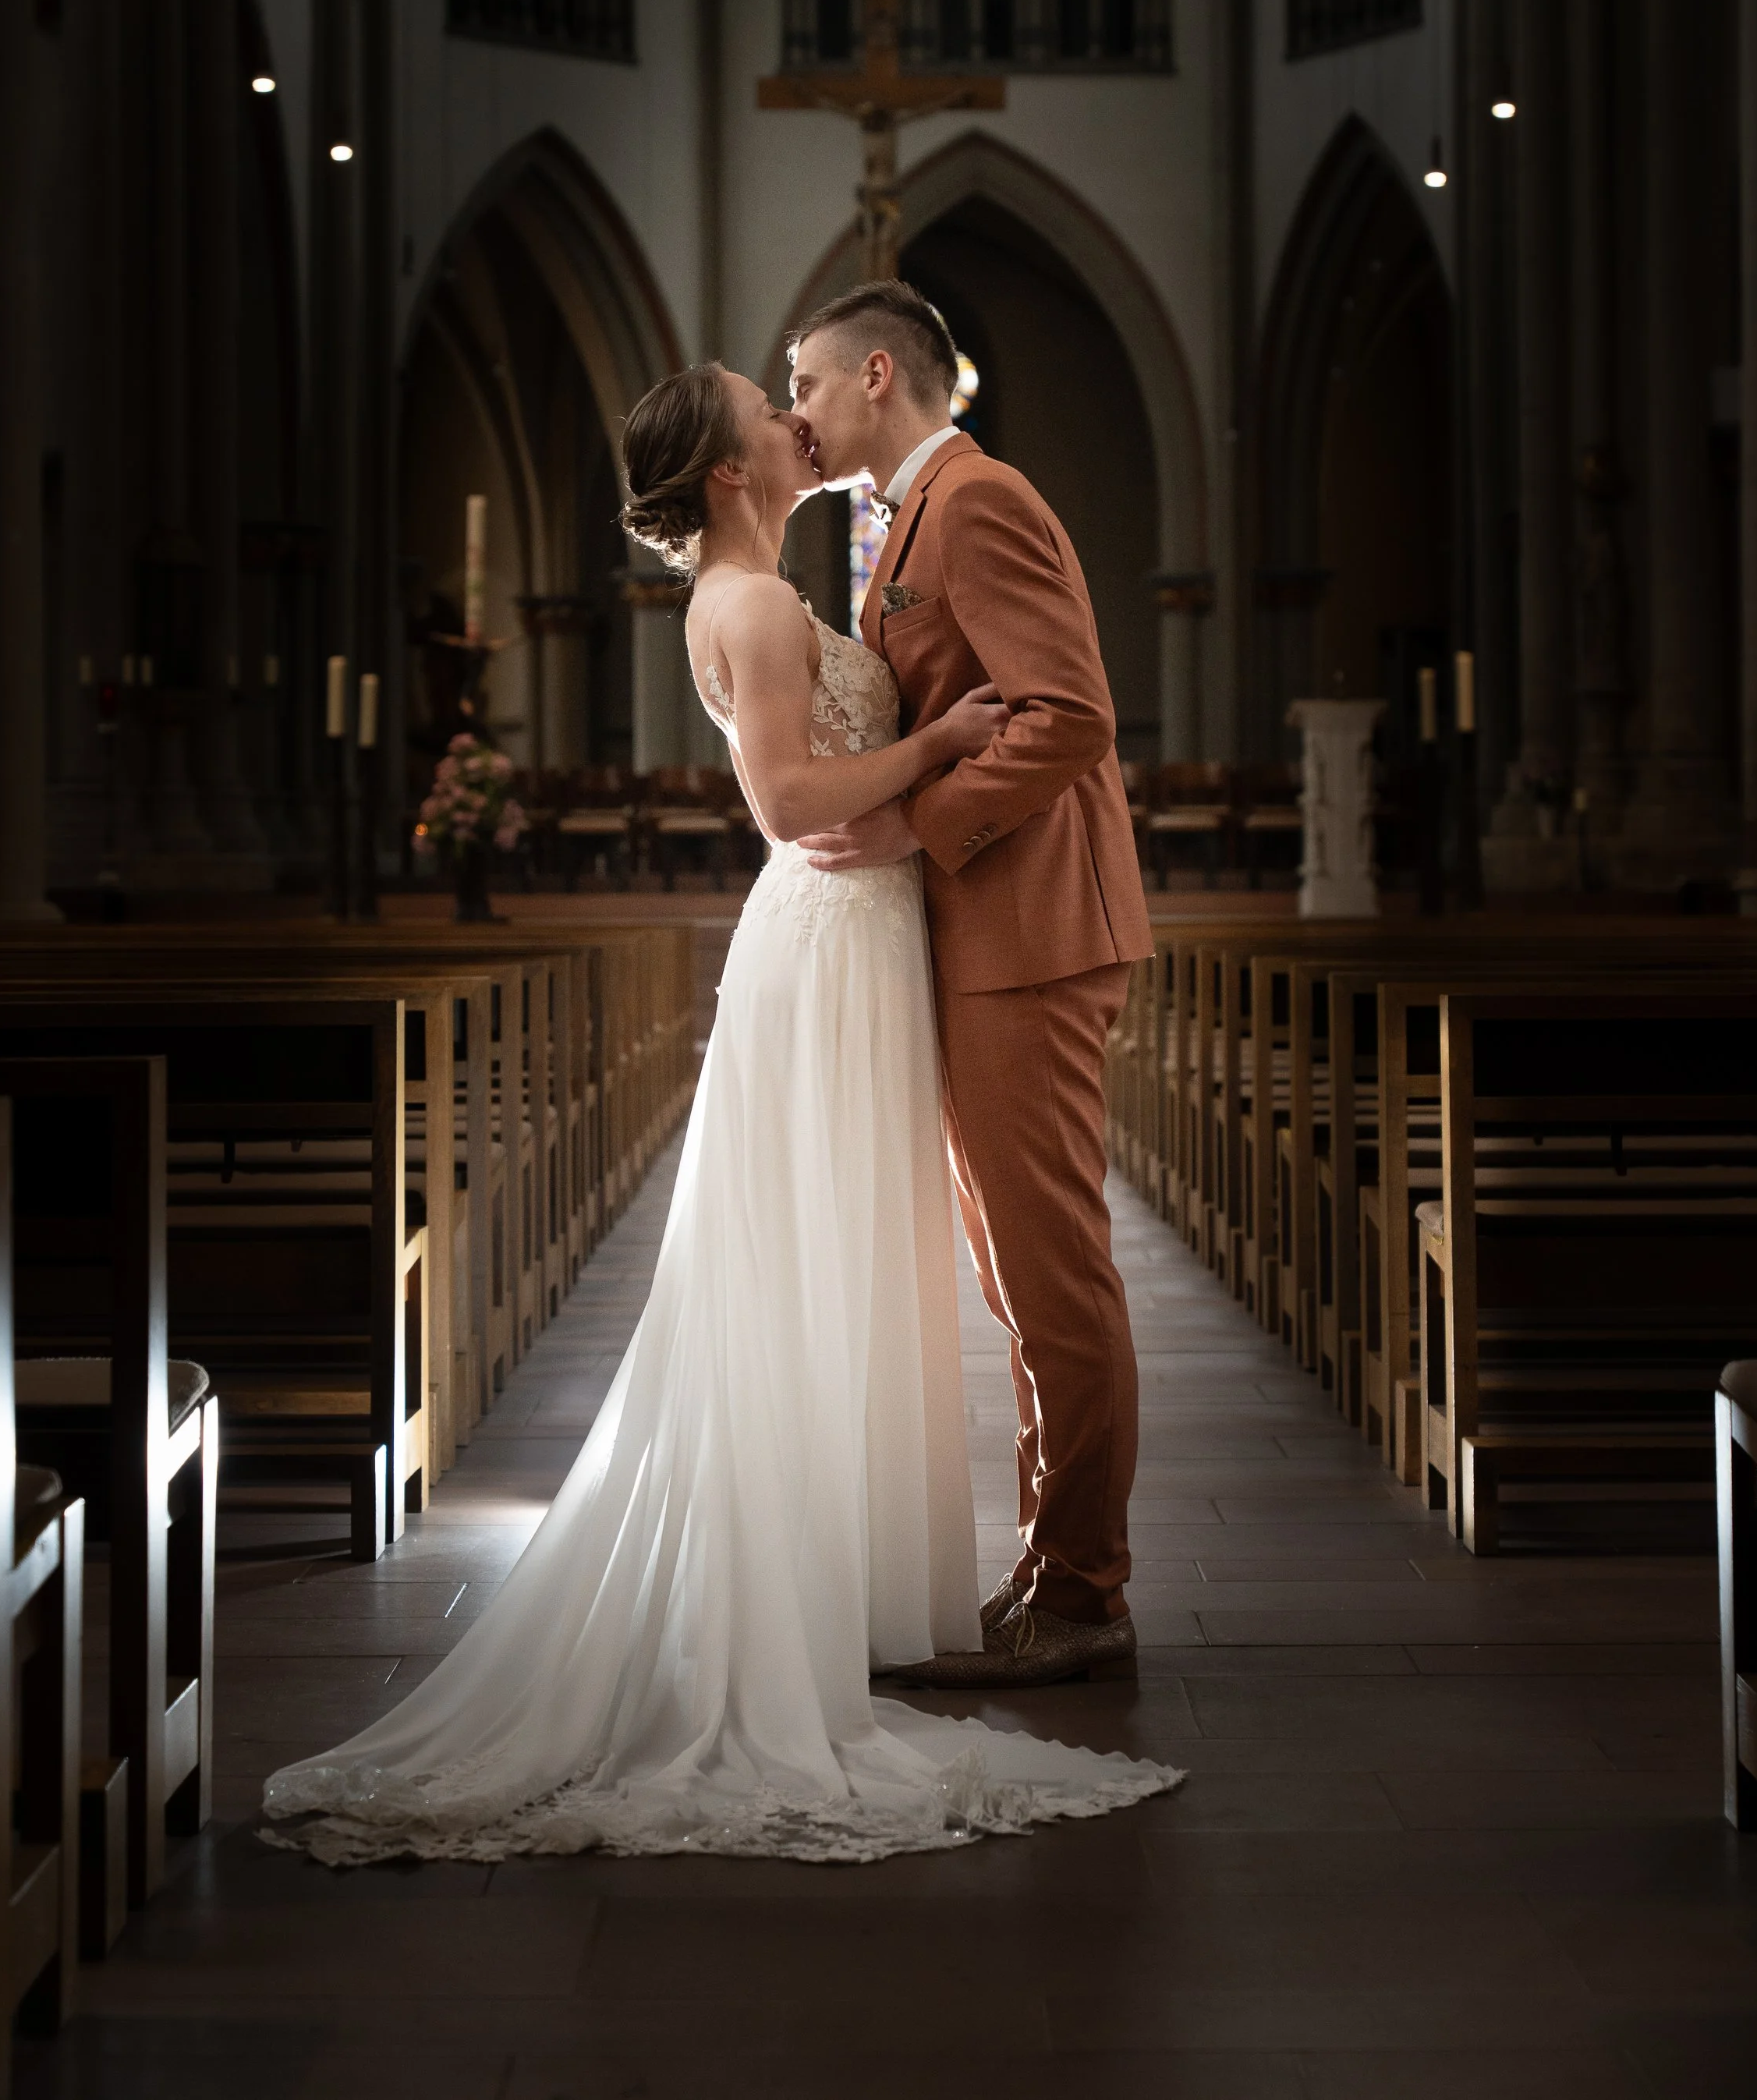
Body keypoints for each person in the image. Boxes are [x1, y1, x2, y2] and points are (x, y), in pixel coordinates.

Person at [261, 359, 1179, 1865]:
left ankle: (877, 1585)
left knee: (863, 1262)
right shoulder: (749, 606)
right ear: (734, 469)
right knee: (809, 1266)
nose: (791, 407)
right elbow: (788, 806)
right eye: (773, 398)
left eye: (798, 380)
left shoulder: (799, 573)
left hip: (877, 935)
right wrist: (942, 749)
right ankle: (829, 1594)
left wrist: (917, 786)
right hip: (829, 937)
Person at [789, 280, 1153, 1689]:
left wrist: (912, 827)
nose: (802, 412)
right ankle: (1053, 1566)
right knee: (1016, 1266)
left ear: (877, 373)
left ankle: (1086, 1590)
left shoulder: (980, 499)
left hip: (1031, 929)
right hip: (987, 931)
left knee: (1050, 1266)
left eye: (810, 383)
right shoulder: (913, 515)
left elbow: (1070, 715)